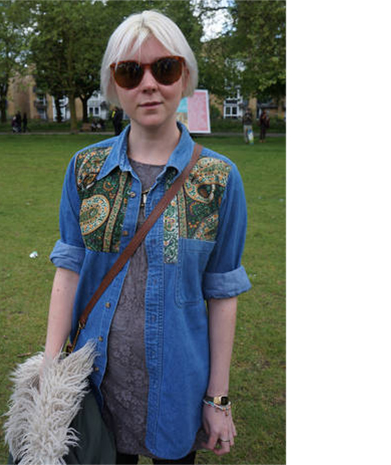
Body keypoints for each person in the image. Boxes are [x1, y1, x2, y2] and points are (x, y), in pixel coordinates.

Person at [45, 10, 251, 464]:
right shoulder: (85, 170)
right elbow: (69, 271)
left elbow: (222, 292)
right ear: (113, 84)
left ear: (185, 77)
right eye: (130, 72)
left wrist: (218, 398)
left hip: (178, 389)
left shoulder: (219, 179)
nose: (149, 84)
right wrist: (49, 370)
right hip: (95, 385)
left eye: (165, 68)